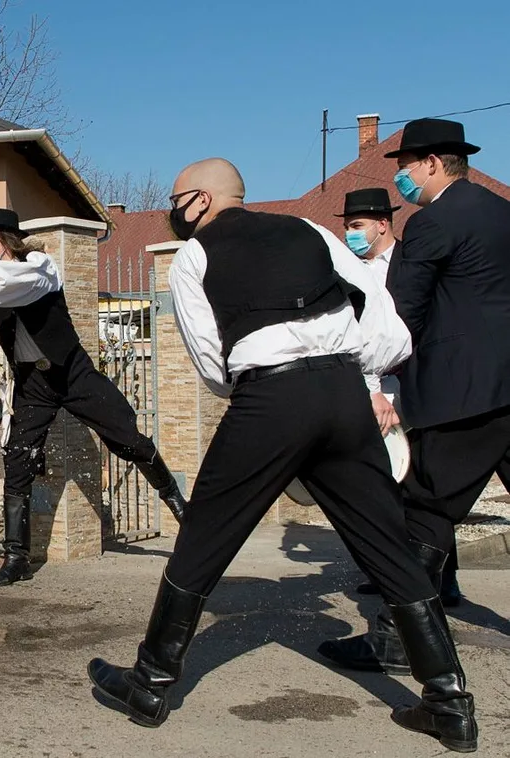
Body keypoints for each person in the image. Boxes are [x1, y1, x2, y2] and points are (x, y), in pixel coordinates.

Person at [88, 158, 477, 753]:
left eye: (175, 199)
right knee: (386, 541)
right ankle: (450, 705)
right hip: (345, 393)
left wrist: (270, 378)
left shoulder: (195, 256)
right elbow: (384, 324)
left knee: (206, 534)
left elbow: (213, 368)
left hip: (271, 398)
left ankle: (150, 683)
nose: (172, 210)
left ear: (197, 200)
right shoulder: (311, 231)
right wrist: (354, 378)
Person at [319, 119, 510, 688]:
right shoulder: (501, 211)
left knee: (425, 511)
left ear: (431, 163)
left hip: (466, 394)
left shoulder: (433, 224)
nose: (400, 175)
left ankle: (394, 642)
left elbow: (405, 314)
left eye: (405, 165)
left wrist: (374, 375)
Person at [0, 208, 188, 588]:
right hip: (32, 384)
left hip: (72, 372)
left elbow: (18, 281)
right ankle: (16, 558)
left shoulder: (38, 265)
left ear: (7, 241)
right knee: (18, 460)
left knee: (127, 440)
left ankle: (177, 503)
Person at [338, 187, 465, 606]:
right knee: (384, 484)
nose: (350, 234)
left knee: (427, 485)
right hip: (372, 386)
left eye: (356, 227)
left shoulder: (415, 260)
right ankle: (392, 571)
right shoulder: (349, 271)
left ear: (382, 224)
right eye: (346, 227)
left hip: (419, 384)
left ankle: (443, 578)